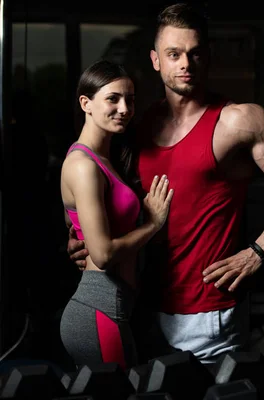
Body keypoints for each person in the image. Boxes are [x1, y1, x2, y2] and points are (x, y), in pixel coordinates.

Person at [67, 3, 264, 364]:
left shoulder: (238, 121)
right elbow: (110, 197)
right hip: (142, 307)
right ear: (156, 60)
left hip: (210, 313)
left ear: (207, 57)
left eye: (195, 53)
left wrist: (258, 251)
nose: (185, 63)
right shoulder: (139, 126)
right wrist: (82, 238)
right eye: (174, 53)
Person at [60, 59, 173, 370]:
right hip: (98, 309)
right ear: (86, 103)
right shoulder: (83, 165)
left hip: (117, 307)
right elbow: (104, 254)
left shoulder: (105, 160)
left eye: (130, 99)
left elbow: (73, 225)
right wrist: (153, 224)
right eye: (113, 98)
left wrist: (76, 239)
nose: (124, 108)